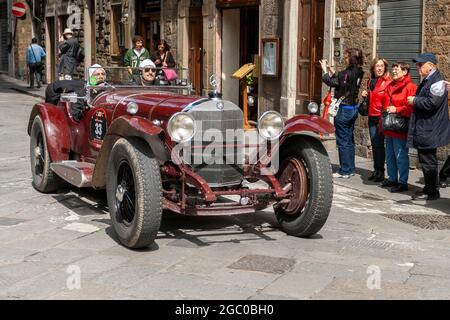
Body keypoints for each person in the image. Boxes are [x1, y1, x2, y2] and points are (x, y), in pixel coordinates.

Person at [406, 53, 450, 201]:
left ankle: (431, 191)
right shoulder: (430, 79)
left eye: (420, 64)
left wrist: (415, 100)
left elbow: (432, 103)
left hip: (430, 128)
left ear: (430, 65)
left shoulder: (436, 81)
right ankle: (429, 188)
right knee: (426, 160)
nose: (417, 67)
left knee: (428, 161)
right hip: (426, 127)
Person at [320, 48, 364, 179]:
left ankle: (344, 170)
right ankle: (350, 168)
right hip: (354, 108)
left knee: (342, 141)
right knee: (349, 140)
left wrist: (324, 70)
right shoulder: (359, 71)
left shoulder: (346, 73)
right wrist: (332, 71)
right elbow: (342, 82)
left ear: (351, 58)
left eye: (346, 57)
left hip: (344, 110)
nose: (345, 59)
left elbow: (333, 82)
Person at [379, 62, 416, 193]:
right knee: (389, 155)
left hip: (400, 126)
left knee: (400, 155)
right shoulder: (390, 85)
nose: (394, 72)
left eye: (397, 70)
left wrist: (397, 109)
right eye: (393, 70)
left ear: (405, 72)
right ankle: (392, 178)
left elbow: (411, 108)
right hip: (389, 125)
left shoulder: (410, 87)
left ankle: (403, 182)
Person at [361, 58, 392, 182]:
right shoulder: (370, 81)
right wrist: (365, 95)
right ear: (373, 68)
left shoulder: (388, 81)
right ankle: (377, 170)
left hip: (381, 117)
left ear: (385, 68)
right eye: (377, 66)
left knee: (380, 145)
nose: (379, 68)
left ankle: (381, 172)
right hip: (372, 116)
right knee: (375, 144)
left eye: (381, 66)